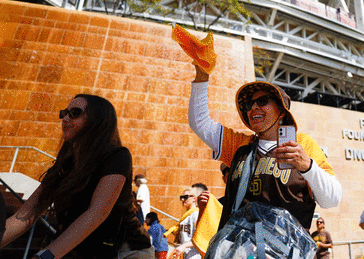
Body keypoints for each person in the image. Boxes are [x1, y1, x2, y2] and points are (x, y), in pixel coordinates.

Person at [187, 60, 342, 230]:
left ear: (281, 111)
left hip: (285, 245)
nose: (253, 107)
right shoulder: (240, 144)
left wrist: (307, 166)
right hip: (239, 244)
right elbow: (200, 123)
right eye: (249, 104)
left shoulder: (303, 144)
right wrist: (202, 76)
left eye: (262, 101)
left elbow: (332, 199)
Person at [0, 94, 153, 259]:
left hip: (125, 251)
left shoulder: (117, 156)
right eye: (64, 113)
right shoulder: (65, 164)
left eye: (74, 113)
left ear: (97, 120)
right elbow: (25, 215)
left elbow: (98, 212)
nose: (65, 118)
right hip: (83, 251)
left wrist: (46, 256)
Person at [165, 187, 202, 259]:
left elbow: (199, 238)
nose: (182, 200)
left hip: (194, 254)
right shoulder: (186, 215)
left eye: (185, 197)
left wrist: (183, 246)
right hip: (184, 253)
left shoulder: (196, 214)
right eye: (181, 197)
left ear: (194, 198)